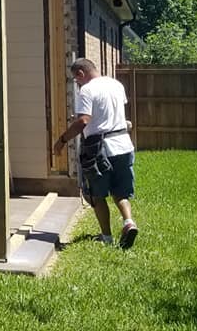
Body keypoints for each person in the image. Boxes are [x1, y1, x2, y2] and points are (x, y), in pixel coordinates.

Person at [53, 58, 138, 249]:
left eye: (76, 79)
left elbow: (83, 120)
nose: (77, 83)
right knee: (120, 191)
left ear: (81, 74)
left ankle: (106, 237)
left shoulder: (87, 90)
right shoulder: (116, 85)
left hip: (101, 149)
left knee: (97, 195)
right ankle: (128, 222)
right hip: (124, 145)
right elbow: (116, 115)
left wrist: (61, 141)